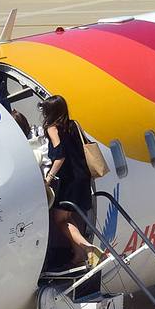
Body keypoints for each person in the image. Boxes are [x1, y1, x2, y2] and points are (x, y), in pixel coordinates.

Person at [40, 96, 101, 270]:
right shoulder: (74, 124)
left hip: (69, 179)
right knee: (67, 216)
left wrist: (49, 178)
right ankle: (79, 255)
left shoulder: (52, 128)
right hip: (83, 176)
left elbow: (60, 155)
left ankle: (88, 248)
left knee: (59, 219)